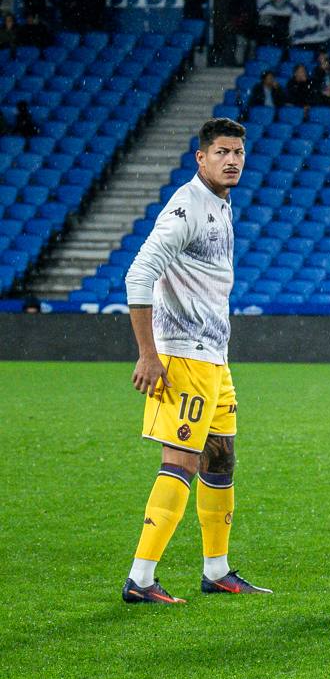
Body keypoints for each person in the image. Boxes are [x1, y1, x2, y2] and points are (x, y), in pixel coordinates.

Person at [122, 118, 265, 604]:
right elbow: (138, 276)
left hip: (213, 360)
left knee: (220, 457)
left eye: (239, 153)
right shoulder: (186, 209)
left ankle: (216, 570)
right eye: (222, 152)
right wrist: (148, 353)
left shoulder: (220, 205)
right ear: (200, 158)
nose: (232, 160)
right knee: (180, 462)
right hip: (182, 357)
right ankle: (141, 579)